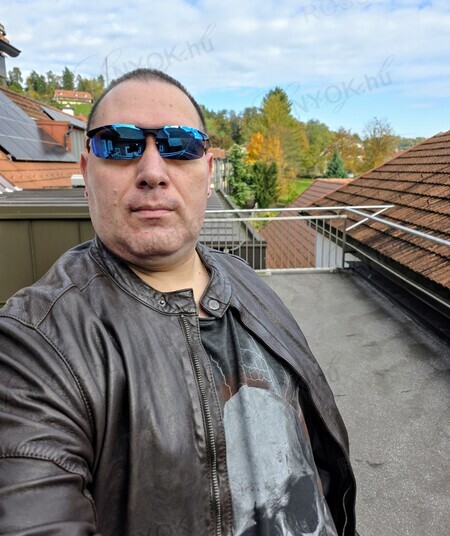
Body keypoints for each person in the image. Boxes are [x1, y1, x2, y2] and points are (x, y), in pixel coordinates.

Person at [0, 69, 357, 535]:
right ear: (87, 171)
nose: (152, 172)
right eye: (120, 144)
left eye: (179, 145)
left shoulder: (246, 281)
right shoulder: (35, 344)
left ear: (207, 173)